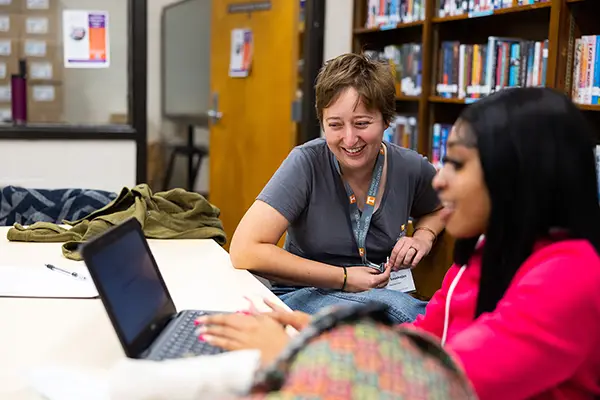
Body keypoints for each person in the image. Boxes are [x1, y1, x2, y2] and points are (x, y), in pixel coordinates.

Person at [197, 87, 600, 399]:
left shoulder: (570, 277)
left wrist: (288, 356)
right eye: (335, 124)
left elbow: (435, 386)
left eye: (457, 164)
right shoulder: (483, 255)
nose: (439, 181)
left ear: (516, 175)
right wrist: (314, 332)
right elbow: (423, 341)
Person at [229, 53, 445, 323]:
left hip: (375, 293)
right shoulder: (306, 162)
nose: (350, 138)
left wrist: (424, 236)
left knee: (412, 314)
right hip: (304, 294)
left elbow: (441, 208)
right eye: (335, 125)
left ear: (387, 120)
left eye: (362, 123)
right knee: (409, 315)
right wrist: (343, 277)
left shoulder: (409, 167)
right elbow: (245, 249)